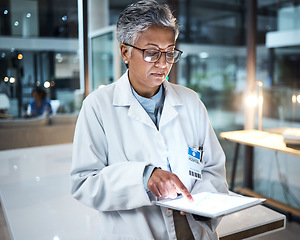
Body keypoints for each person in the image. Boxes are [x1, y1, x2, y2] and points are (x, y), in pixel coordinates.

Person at [70, 1, 228, 239]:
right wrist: (144, 178)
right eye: (152, 53)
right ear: (125, 52)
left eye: (170, 52)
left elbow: (213, 169)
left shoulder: (190, 101)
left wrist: (202, 205)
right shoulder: (98, 107)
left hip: (193, 231)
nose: (163, 64)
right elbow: (84, 183)